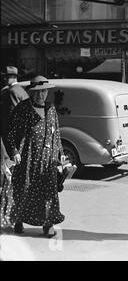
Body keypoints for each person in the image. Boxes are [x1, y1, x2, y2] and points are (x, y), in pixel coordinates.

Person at [6, 75, 65, 236]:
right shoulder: (23, 108)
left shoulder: (51, 108)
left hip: (48, 159)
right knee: (24, 189)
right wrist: (14, 152)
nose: (41, 95)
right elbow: (9, 132)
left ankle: (48, 224)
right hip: (28, 157)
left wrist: (61, 153)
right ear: (31, 92)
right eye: (37, 92)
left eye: (44, 91)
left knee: (48, 192)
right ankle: (18, 220)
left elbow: (56, 132)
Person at [1, 66, 28, 229]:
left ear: (9, 77)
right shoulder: (22, 91)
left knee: (9, 182)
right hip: (21, 143)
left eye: (5, 76)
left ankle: (12, 219)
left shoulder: (10, 92)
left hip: (11, 144)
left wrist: (10, 149)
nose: (3, 79)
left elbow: (9, 122)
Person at [1, 66, 29, 142]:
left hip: (11, 132)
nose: (4, 79)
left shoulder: (11, 91)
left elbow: (12, 113)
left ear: (14, 77)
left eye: (7, 77)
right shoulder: (20, 89)